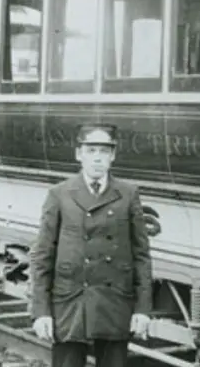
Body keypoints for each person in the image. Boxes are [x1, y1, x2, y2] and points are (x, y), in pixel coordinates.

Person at [30, 123, 154, 367]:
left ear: (113, 156)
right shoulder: (60, 194)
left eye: (104, 151)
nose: (97, 158)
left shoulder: (128, 194)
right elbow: (42, 256)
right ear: (79, 154)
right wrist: (41, 312)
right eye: (91, 150)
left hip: (114, 302)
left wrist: (142, 310)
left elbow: (141, 256)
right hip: (71, 302)